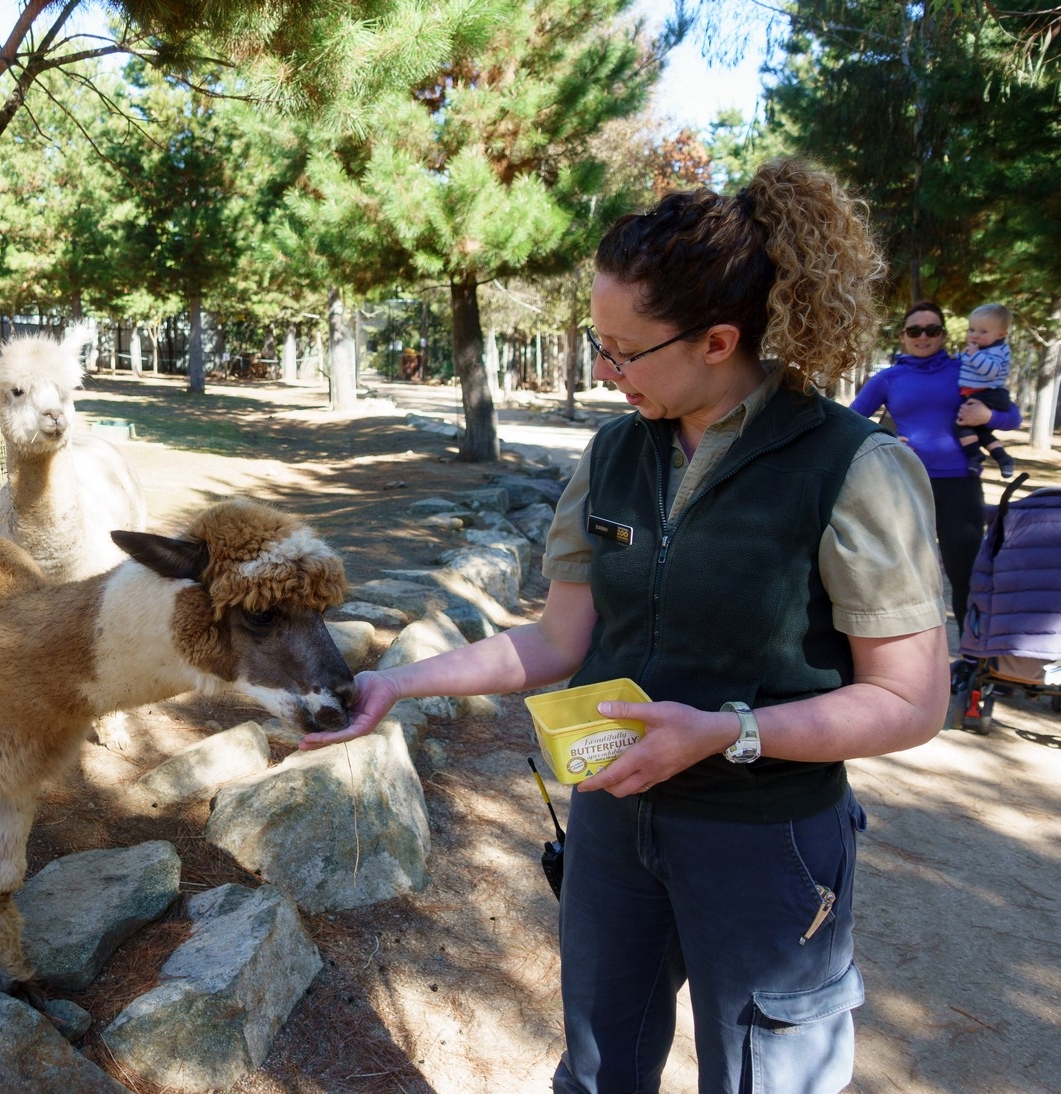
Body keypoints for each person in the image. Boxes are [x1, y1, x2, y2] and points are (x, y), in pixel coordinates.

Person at [300, 159, 949, 1094]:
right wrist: (396, 684)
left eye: (623, 351)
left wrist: (725, 733)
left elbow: (910, 700)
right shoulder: (611, 454)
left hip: (763, 840)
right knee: (598, 1068)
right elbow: (554, 642)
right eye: (596, 344)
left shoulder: (853, 466)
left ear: (718, 341)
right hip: (611, 820)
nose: (604, 373)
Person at [850, 302, 1023, 633]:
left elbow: (1012, 416)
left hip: (960, 484)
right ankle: (902, 654)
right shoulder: (888, 378)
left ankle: (972, 654)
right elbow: (850, 421)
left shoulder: (966, 370)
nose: (923, 336)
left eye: (932, 329)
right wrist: (884, 438)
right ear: (903, 336)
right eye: (914, 330)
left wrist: (988, 416)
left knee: (965, 574)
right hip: (904, 487)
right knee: (900, 577)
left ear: (943, 334)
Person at [956, 302, 1017, 478]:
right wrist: (961, 357)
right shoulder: (981, 350)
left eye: (983, 332)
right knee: (981, 432)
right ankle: (1003, 458)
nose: (975, 335)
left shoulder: (996, 350)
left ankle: (975, 455)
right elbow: (965, 364)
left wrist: (974, 355)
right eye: (971, 330)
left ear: (1001, 334)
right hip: (981, 394)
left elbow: (991, 370)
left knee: (960, 424)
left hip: (989, 394)